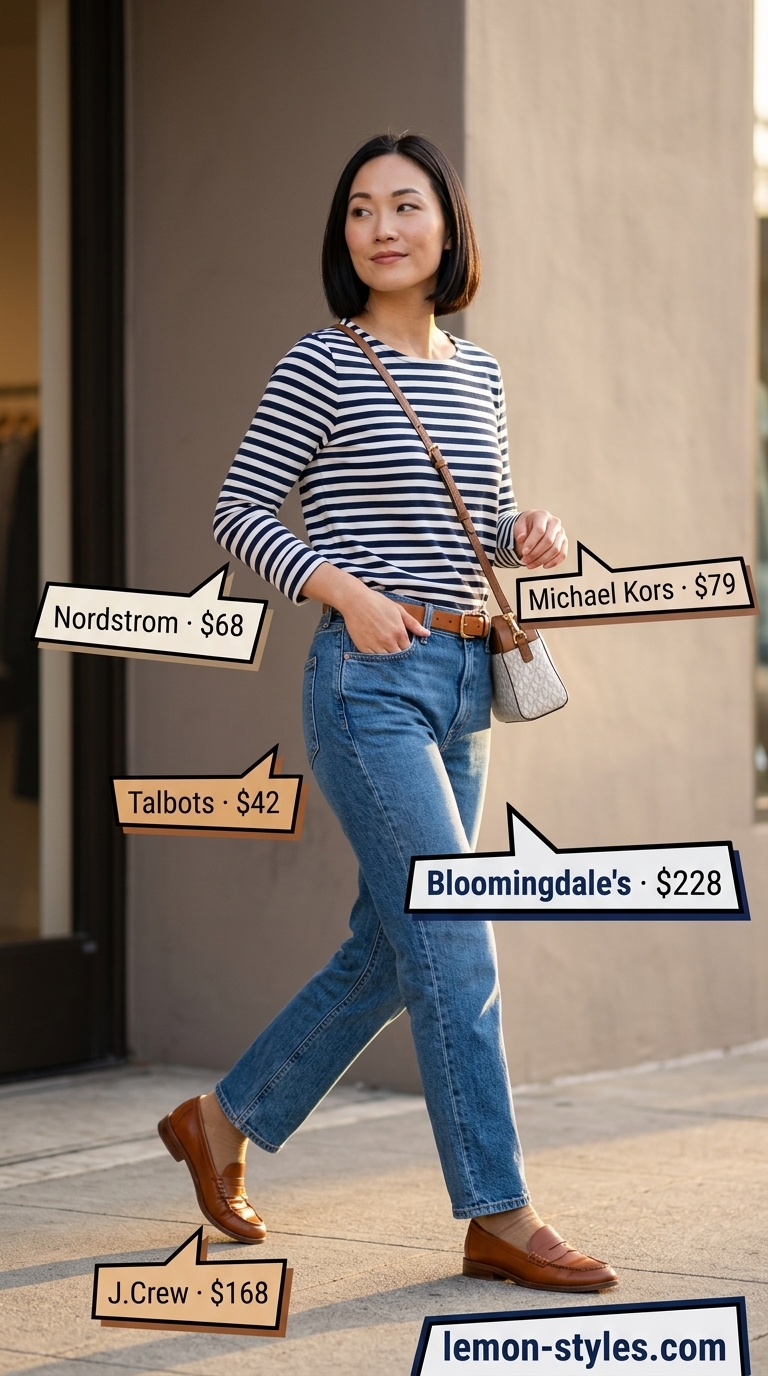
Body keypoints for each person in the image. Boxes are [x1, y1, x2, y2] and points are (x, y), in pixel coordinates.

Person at [158, 133, 617, 1293]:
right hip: (368, 686)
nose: (382, 227)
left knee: (387, 946)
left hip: (465, 681)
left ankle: (222, 1119)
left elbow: (487, 520)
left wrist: (533, 538)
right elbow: (239, 512)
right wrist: (346, 591)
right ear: (346, 236)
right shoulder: (323, 362)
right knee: (454, 936)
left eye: (405, 205)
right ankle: (498, 1212)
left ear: (447, 228)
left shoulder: (481, 373)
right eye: (360, 210)